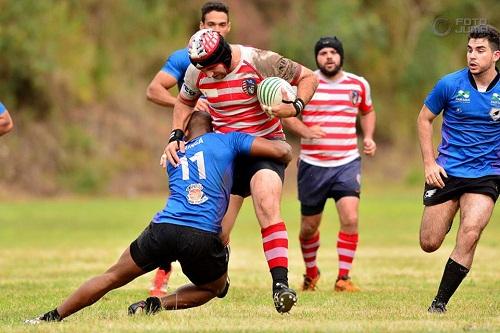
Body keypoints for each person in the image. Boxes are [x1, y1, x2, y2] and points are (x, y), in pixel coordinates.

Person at [25, 111, 293, 324]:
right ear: (214, 128)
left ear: (184, 134)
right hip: (200, 235)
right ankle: (159, 303)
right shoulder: (227, 140)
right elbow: (281, 152)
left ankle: (51, 316)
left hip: (163, 227)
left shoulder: (172, 154)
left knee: (111, 276)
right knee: (214, 288)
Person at [164, 29, 318, 313]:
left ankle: (280, 286)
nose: (209, 74)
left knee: (266, 204)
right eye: (203, 70)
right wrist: (175, 134)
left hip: (266, 148)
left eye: (212, 67)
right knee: (217, 232)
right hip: (227, 154)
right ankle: (219, 280)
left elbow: (309, 77)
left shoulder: (260, 60)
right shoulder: (196, 73)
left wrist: (295, 106)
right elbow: (184, 102)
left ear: (223, 54)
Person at [146, 1, 231, 297]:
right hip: (192, 146)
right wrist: (188, 104)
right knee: (181, 207)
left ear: (228, 27)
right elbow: (154, 90)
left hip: (225, 147)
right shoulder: (185, 58)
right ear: (201, 27)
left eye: (222, 25)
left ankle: (215, 271)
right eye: (211, 25)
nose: (216, 29)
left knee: (220, 210)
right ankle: (162, 273)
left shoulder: (235, 59)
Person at [282, 36, 376, 292]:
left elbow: (367, 111)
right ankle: (311, 273)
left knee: (350, 217)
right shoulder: (305, 83)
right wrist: (305, 129)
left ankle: (343, 278)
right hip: (313, 165)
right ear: (316, 58)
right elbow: (286, 114)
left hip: (347, 162)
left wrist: (368, 137)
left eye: (333, 52)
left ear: (341, 56)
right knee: (309, 227)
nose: (329, 57)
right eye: (323, 53)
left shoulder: (358, 84)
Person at [417, 24, 500, 313]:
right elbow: (424, 119)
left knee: (471, 231)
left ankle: (439, 304)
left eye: (480, 50)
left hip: (487, 174)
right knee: (429, 242)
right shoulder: (449, 84)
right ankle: (449, 211)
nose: (472, 56)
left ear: (496, 55)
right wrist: (429, 162)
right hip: (448, 171)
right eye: (469, 50)